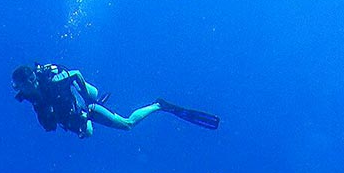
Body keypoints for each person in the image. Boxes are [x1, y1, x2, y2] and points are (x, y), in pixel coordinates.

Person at [12, 63, 219, 138]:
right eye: (18, 87)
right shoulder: (29, 96)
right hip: (71, 115)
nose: (20, 90)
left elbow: (75, 73)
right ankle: (87, 117)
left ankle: (158, 105)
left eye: (22, 85)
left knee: (128, 125)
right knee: (88, 134)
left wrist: (85, 103)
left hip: (86, 106)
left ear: (32, 80)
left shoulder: (53, 81)